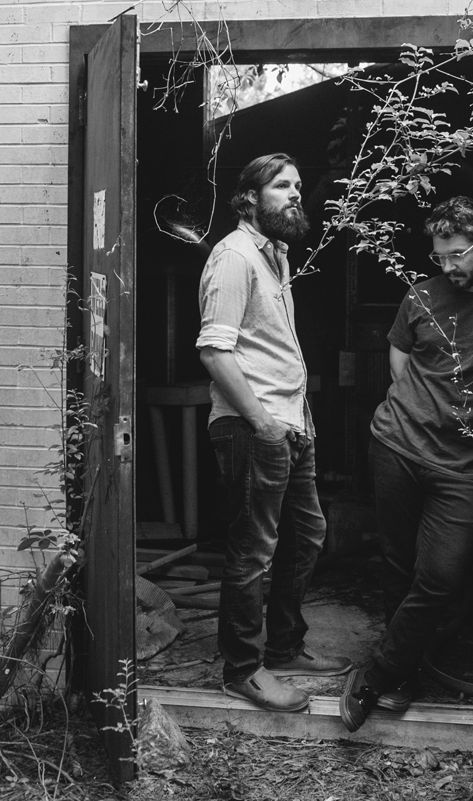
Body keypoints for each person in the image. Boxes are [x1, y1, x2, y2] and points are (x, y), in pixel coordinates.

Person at [339, 195, 473, 732]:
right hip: (397, 447)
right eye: (438, 256)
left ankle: (379, 671)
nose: (447, 266)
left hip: (465, 467)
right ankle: (403, 675)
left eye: (457, 255)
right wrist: (423, 410)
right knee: (396, 564)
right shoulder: (420, 295)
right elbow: (400, 359)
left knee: (441, 576)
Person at [197, 153, 352, 713]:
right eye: (282, 185)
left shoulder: (275, 257)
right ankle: (243, 670)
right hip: (252, 426)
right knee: (253, 550)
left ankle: (284, 647)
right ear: (248, 199)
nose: (295, 193)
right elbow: (215, 351)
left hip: (288, 425)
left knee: (307, 535)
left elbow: (269, 348)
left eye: (298, 185)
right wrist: (263, 423)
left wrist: (297, 420)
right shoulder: (234, 257)